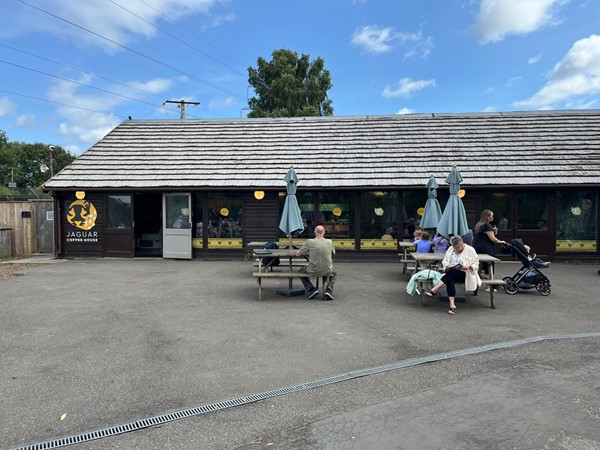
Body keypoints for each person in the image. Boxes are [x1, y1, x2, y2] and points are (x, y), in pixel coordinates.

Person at [424, 235, 481, 315]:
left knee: (451, 274)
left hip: (466, 275)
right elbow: (445, 261)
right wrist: (448, 265)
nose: (456, 249)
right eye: (454, 247)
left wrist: (468, 266)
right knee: (450, 278)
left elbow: (476, 264)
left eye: (458, 247)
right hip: (452, 273)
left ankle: (434, 289)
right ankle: (452, 305)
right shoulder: (451, 249)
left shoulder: (470, 250)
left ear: (462, 244)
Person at [296, 225, 337, 300]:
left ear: (315, 232)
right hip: (327, 270)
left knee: (300, 272)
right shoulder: (329, 242)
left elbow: (298, 254)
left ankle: (311, 289)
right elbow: (332, 253)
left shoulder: (310, 242)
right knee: (335, 272)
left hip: (313, 270)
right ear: (324, 232)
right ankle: (329, 289)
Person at [473, 209, 506, 280]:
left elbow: (482, 235)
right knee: (489, 266)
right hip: (486, 248)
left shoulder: (478, 225)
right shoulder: (487, 225)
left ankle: (479, 278)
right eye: (492, 216)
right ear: (487, 217)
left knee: (481, 265)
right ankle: (489, 286)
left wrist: (493, 231)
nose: (492, 217)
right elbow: (493, 238)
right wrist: (501, 242)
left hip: (478, 247)